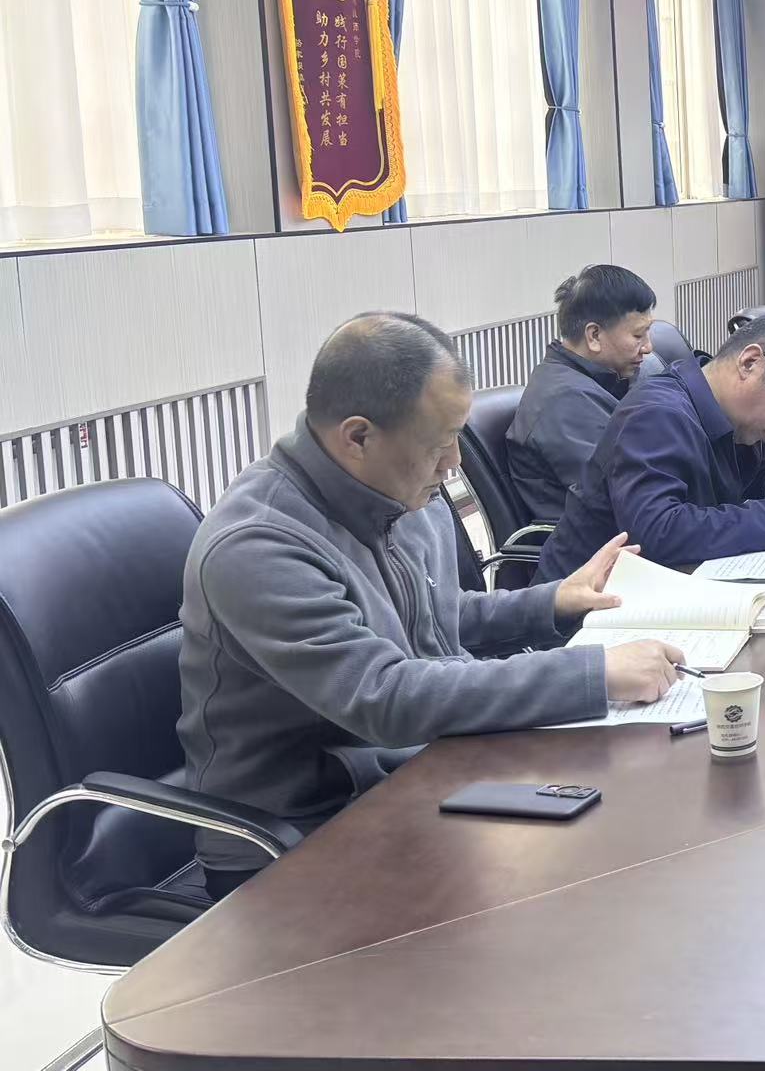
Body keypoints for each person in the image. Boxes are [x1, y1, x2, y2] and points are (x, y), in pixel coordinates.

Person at [178, 313, 685, 894]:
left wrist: (552, 602)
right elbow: (384, 695)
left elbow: (433, 617)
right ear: (358, 437)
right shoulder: (258, 545)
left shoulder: (397, 492)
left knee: (621, 829)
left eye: (458, 437)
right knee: (556, 889)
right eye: (440, 443)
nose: (455, 464)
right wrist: (593, 672)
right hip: (303, 832)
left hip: (415, 772)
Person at [539, 310, 765, 579]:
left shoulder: (741, 419)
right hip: (586, 606)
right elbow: (658, 532)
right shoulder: (656, 414)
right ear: (750, 363)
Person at [506, 265, 656, 526]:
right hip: (598, 545)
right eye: (637, 335)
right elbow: (629, 494)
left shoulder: (596, 381)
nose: (648, 347)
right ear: (594, 335)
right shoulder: (564, 402)